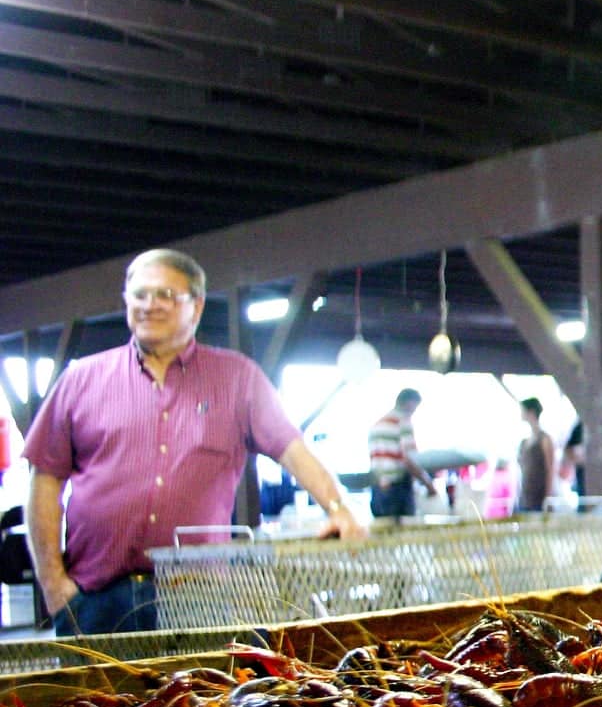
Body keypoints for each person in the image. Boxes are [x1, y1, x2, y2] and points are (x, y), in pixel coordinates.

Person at [23, 248, 368, 635]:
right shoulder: (80, 380)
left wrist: (338, 507)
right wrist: (54, 585)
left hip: (198, 598)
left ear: (197, 306)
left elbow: (292, 448)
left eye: (166, 295)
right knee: (94, 699)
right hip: (96, 599)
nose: (149, 305)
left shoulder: (237, 379)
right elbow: (44, 480)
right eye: (139, 295)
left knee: (204, 695)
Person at [367, 388, 434, 519]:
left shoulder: (377, 425)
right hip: (397, 489)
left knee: (382, 532)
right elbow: (409, 459)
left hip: (378, 487)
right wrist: (428, 484)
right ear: (409, 403)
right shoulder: (402, 421)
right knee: (405, 534)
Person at [515, 397, 555, 514]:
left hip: (539, 497)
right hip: (525, 496)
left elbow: (550, 469)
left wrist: (548, 497)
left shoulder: (544, 439)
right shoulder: (524, 442)